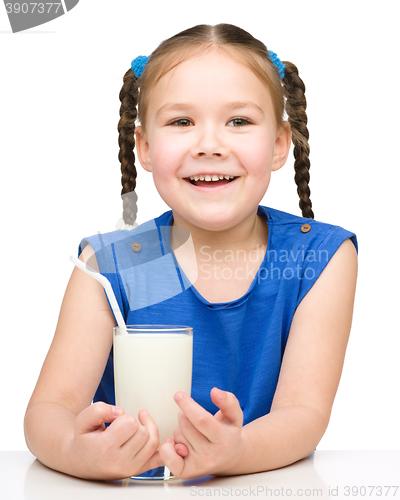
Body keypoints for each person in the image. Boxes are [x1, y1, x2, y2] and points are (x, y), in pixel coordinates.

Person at [24, 23, 358, 481]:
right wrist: (75, 450)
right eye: (182, 122)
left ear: (280, 144)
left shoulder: (315, 259)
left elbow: (303, 414)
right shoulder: (117, 265)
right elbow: (49, 410)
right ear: (144, 145)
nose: (209, 145)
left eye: (239, 121)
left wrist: (235, 452)